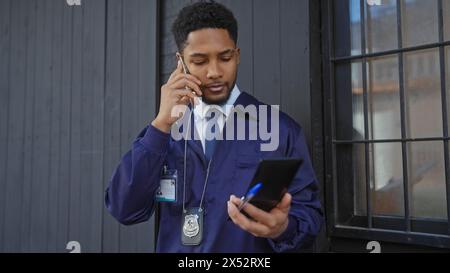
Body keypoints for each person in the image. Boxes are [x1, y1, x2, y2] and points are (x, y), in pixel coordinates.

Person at [105, 1, 323, 253]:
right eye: (199, 61)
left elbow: (311, 219)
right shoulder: (163, 133)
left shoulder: (281, 130)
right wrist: (160, 124)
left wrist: (283, 229)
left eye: (225, 57)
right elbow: (125, 209)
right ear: (180, 62)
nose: (214, 72)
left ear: (238, 55)